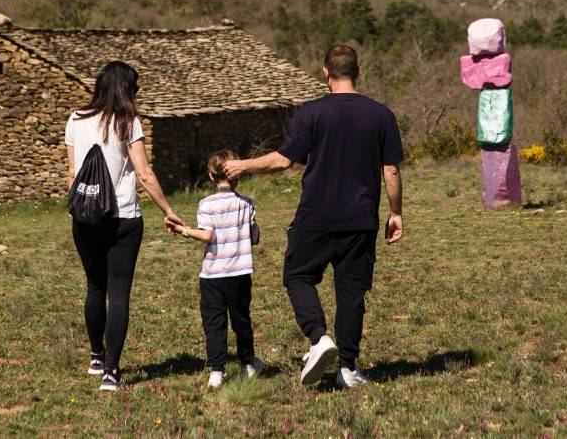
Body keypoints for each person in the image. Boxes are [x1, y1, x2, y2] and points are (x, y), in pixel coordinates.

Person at [224, 44, 403, 389]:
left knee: (297, 276)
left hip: (315, 217)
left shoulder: (311, 113)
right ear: (357, 72)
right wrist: (395, 213)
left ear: (325, 73)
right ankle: (348, 369)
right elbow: (391, 171)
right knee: (351, 293)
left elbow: (282, 160)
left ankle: (319, 337)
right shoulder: (381, 115)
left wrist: (244, 165)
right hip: (361, 219)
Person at [65, 61, 184, 391]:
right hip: (123, 217)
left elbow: (73, 175)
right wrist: (168, 209)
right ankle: (112, 372)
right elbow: (144, 173)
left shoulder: (75, 119)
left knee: (94, 286)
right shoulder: (128, 121)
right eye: (135, 87)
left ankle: (96, 356)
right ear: (126, 89)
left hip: (86, 216)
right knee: (119, 293)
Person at [167, 150, 264, 389]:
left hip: (212, 275)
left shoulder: (206, 205)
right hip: (240, 273)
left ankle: (217, 371)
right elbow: (255, 237)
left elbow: (207, 235)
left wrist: (183, 230)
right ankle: (248, 364)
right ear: (237, 176)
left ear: (211, 176)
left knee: (214, 322)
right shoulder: (246, 203)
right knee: (241, 319)